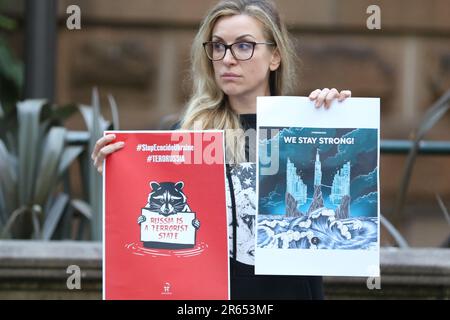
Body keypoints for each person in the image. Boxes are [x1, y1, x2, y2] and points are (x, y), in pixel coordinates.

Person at [92, 0, 351, 299]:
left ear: (275, 57)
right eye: (218, 46)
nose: (227, 59)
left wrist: (335, 118)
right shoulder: (187, 136)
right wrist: (117, 172)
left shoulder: (304, 130)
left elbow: (332, 215)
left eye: (244, 46)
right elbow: (158, 222)